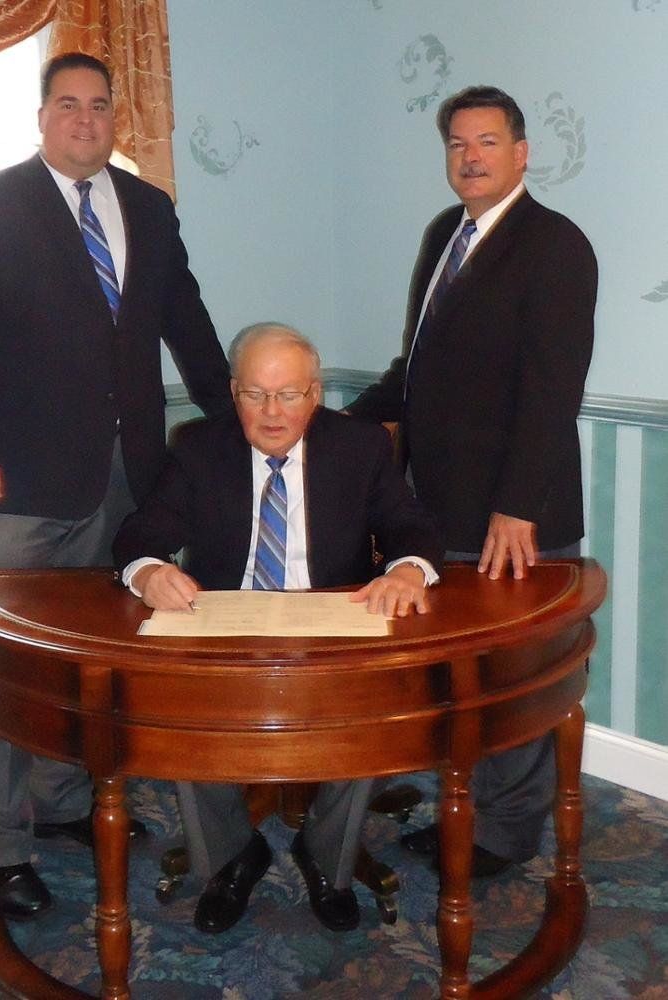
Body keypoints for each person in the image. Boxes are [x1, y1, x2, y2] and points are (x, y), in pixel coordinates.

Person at [0, 52, 233, 920]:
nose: (85, 120)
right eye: (68, 104)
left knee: (97, 660)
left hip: (128, 482)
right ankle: (5, 843)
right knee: (10, 670)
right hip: (16, 486)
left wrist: (235, 420)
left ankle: (62, 808)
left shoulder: (149, 207)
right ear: (42, 115)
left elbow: (189, 325)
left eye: (100, 106)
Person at [113, 322, 443, 933]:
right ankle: (233, 853)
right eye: (255, 395)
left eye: (289, 394)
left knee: (365, 719)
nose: (272, 412)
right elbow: (140, 534)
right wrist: (148, 571)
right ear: (234, 393)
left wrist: (408, 571)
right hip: (227, 632)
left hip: (328, 632)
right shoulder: (198, 447)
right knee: (184, 720)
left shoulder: (360, 446)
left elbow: (411, 525)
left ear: (315, 394)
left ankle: (326, 858)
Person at [347, 85, 597, 876]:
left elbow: (553, 389)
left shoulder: (555, 245)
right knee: (462, 670)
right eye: (457, 144)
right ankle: (469, 803)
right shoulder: (443, 235)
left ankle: (506, 831)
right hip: (440, 506)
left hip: (512, 515)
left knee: (515, 678)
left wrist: (516, 508)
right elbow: (417, 365)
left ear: (520, 153)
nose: (469, 157)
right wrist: (339, 425)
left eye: (486, 142)